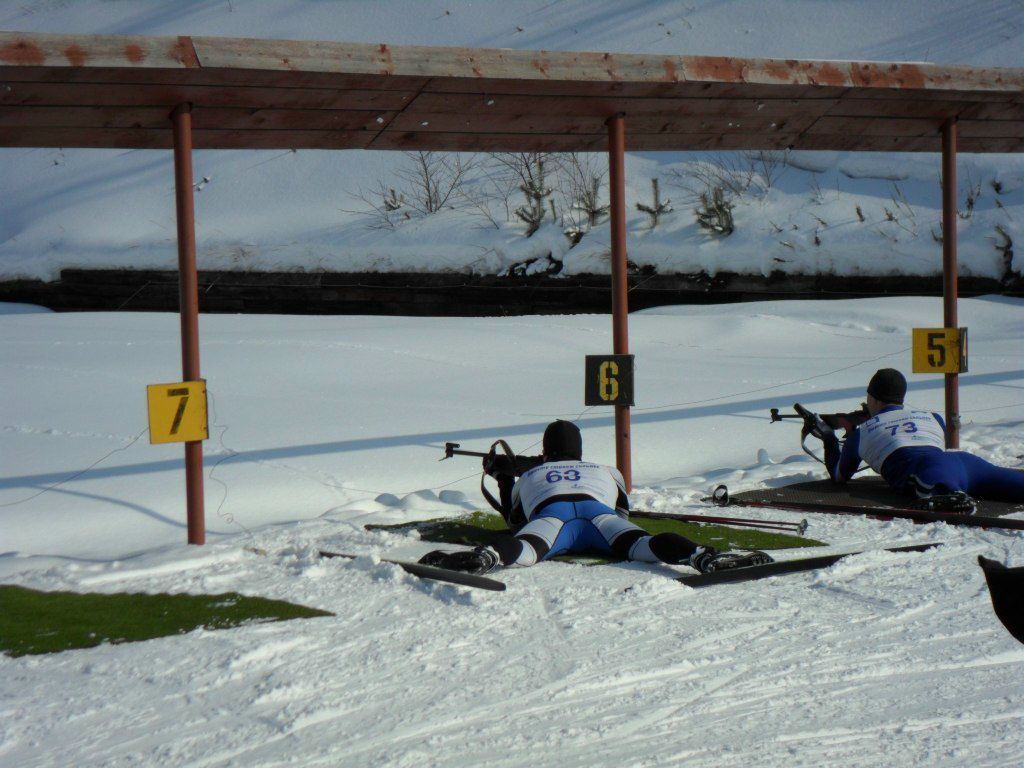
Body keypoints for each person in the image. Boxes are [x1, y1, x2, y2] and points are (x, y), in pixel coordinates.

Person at [420, 420, 770, 574]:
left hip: (551, 517)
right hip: (600, 515)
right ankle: (701, 557)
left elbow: (515, 522)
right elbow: (623, 510)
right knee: (645, 544)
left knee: (526, 548)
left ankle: (486, 558)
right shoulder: (606, 469)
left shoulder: (529, 473)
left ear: (545, 450)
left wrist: (500, 478)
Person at [817, 368, 1024, 504]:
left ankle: (951, 495)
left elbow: (839, 476)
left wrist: (828, 437)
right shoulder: (933, 417)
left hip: (923, 469)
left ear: (872, 398)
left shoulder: (862, 433)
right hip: (963, 462)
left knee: (946, 498)